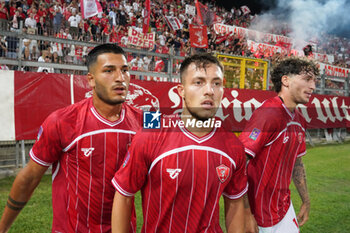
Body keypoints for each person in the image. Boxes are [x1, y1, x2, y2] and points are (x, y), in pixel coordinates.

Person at [0, 44, 142, 233]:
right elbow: (30, 177)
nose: (120, 78)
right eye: (109, 70)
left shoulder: (145, 121)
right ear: (91, 79)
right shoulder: (62, 121)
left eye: (125, 70)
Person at [111, 53, 248, 233]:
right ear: (181, 90)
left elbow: (235, 202)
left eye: (216, 83)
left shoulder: (233, 146)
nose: (209, 90)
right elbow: (124, 194)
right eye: (198, 82)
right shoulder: (151, 135)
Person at [239, 57, 319, 233]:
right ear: (286, 80)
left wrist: (305, 201)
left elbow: (297, 163)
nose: (313, 86)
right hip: (258, 212)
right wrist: (245, 213)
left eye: (314, 81)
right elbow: (239, 163)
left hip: (283, 207)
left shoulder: (300, 120)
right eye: (307, 79)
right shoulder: (268, 114)